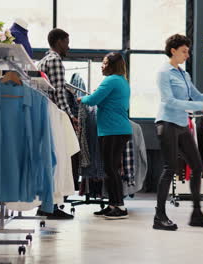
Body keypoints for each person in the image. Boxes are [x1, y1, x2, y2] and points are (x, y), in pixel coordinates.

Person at [154, 34, 203, 231]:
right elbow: (169, 101)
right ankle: (159, 216)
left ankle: (196, 214)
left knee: (197, 166)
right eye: (184, 51)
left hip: (181, 123)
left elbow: (198, 96)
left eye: (188, 51)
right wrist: (200, 106)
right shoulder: (164, 72)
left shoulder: (184, 74)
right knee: (170, 168)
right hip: (167, 123)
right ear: (173, 50)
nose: (187, 55)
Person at [78, 53, 132, 220]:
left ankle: (120, 207)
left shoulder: (111, 80)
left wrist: (81, 98)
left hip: (113, 131)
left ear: (112, 65)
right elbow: (105, 100)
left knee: (111, 169)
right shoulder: (122, 81)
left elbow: (93, 100)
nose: (102, 65)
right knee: (110, 168)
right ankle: (112, 205)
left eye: (104, 63)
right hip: (116, 130)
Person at [37, 28, 77, 220]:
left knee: (48, 160)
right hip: (55, 116)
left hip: (44, 115)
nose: (68, 46)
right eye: (67, 42)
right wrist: (69, 116)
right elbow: (59, 93)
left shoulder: (43, 60)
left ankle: (46, 204)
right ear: (59, 41)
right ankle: (51, 207)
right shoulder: (55, 61)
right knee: (59, 161)